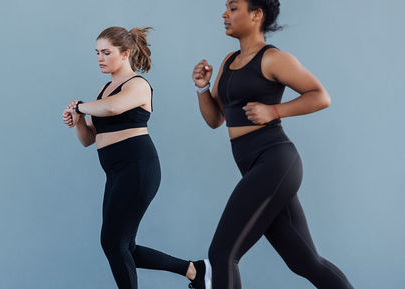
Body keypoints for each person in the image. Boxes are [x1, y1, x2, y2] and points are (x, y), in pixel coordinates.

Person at [191, 1, 355, 288]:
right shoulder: (229, 61)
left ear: (256, 15)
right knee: (305, 261)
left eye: (232, 8)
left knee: (222, 254)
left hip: (275, 160)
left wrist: (275, 111)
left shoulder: (273, 59)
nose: (224, 14)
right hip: (254, 165)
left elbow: (320, 96)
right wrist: (202, 88)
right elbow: (215, 120)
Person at [62, 26, 211, 289]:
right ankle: (194, 270)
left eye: (106, 52)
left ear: (125, 53)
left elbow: (113, 107)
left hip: (138, 168)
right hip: (115, 172)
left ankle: (196, 271)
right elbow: (88, 139)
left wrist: (80, 106)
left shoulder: (138, 85)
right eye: (97, 53)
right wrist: (78, 120)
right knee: (121, 245)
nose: (100, 58)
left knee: (113, 243)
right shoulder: (105, 88)